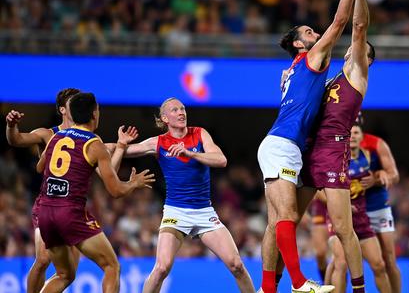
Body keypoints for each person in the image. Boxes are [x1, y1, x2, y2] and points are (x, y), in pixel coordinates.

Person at [257, 0, 361, 293]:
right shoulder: (311, 58)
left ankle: (268, 288)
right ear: (300, 45)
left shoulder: (289, 72)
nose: (315, 33)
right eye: (308, 32)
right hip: (283, 145)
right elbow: (341, 21)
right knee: (285, 217)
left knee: (276, 224)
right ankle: (300, 283)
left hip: (286, 146)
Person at [111, 97, 255, 293]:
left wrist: (190, 153)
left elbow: (221, 160)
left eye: (183, 109)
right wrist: (120, 144)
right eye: (175, 110)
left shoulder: (199, 134)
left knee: (236, 265)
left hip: (204, 212)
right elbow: (111, 150)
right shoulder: (158, 142)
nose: (181, 113)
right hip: (175, 213)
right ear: (165, 118)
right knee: (161, 268)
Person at [302, 0, 374, 293]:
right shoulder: (331, 79)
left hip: (333, 151)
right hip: (310, 150)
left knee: (343, 230)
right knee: (284, 220)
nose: (355, 50)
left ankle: (358, 289)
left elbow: (358, 28)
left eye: (361, 50)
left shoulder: (357, 73)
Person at [36, 92, 154, 293]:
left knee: (64, 275)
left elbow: (40, 168)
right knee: (112, 266)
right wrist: (134, 183)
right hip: (70, 213)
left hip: (45, 212)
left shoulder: (56, 137)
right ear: (94, 114)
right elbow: (115, 191)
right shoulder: (94, 144)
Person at [5, 88, 81, 293]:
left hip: (72, 209)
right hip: (47, 205)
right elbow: (16, 140)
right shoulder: (47, 134)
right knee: (44, 258)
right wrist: (11, 125)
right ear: (63, 110)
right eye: (75, 102)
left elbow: (106, 150)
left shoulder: (87, 138)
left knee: (70, 269)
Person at [327, 124, 390, 293]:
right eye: (350, 132)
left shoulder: (368, 156)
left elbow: (382, 174)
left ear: (363, 137)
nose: (353, 136)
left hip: (361, 219)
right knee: (340, 263)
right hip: (339, 218)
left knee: (379, 265)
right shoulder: (336, 158)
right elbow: (321, 192)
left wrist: (380, 176)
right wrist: (342, 205)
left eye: (356, 133)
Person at [358, 118, 401, 293]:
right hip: (353, 210)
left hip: (378, 208)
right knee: (341, 261)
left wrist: (377, 179)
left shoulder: (376, 144)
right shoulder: (337, 143)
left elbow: (394, 176)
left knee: (389, 259)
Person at [309, 196, 330, 283]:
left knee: (340, 260)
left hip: (339, 210)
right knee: (320, 254)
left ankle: (340, 289)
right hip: (320, 211)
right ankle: (326, 284)